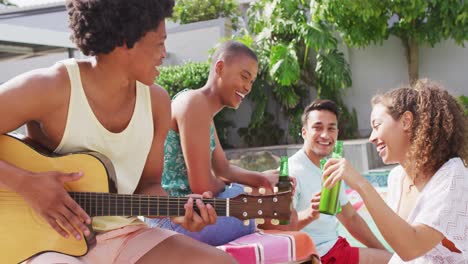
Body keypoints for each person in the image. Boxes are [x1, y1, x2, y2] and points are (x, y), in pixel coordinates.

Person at [0, 0, 236, 263]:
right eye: (159, 43)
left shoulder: (156, 102)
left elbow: (148, 185)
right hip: (46, 241)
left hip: (122, 234)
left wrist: (178, 212)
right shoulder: (51, 87)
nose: (164, 53)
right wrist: (26, 184)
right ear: (126, 41)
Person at [146, 40, 281, 246]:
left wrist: (261, 179)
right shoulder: (194, 103)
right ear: (220, 67)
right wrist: (241, 190)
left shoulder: (204, 111)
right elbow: (202, 186)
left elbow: (223, 169)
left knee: (263, 201)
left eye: (252, 81)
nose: (247, 87)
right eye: (244, 77)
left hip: (193, 217)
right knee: (265, 208)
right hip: (176, 221)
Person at [323, 79, 468, 263]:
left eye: (377, 126)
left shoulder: (452, 175)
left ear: (406, 121)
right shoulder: (396, 178)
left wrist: (360, 184)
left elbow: (411, 247)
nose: (372, 138)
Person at [278, 99, 392, 264]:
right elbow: (279, 229)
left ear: (337, 133)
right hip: (314, 256)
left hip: (335, 249)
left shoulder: (330, 167)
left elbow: (351, 218)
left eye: (331, 129)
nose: (325, 135)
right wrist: (310, 213)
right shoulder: (289, 172)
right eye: (318, 128)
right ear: (304, 132)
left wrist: (386, 253)